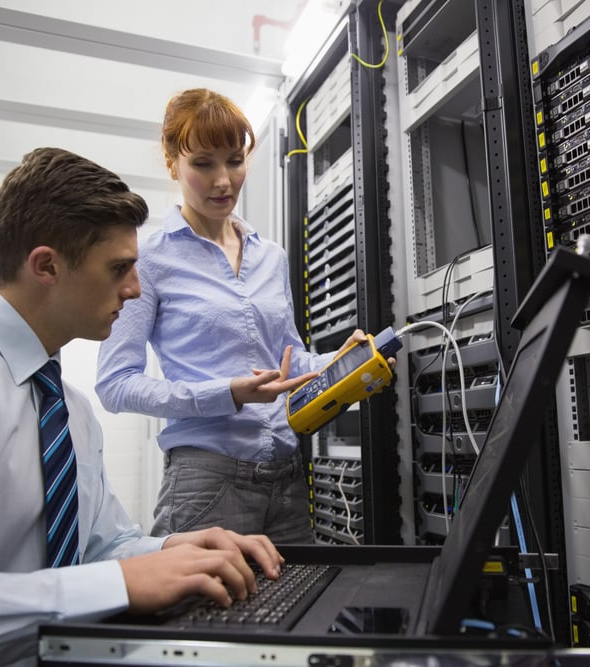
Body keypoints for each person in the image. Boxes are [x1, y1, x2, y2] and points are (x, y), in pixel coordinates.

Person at [0, 147, 286, 667]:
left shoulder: (69, 407)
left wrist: (172, 551)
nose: (136, 290)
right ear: (46, 266)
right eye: (119, 268)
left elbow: (100, 547)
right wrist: (114, 583)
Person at [96, 88, 381, 543]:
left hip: (287, 478)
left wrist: (335, 361)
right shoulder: (148, 261)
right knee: (202, 616)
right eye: (203, 164)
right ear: (173, 164)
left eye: (234, 160)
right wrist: (225, 393)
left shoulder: (270, 257)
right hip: (206, 484)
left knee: (298, 613)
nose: (224, 180)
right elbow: (115, 384)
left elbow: (287, 360)